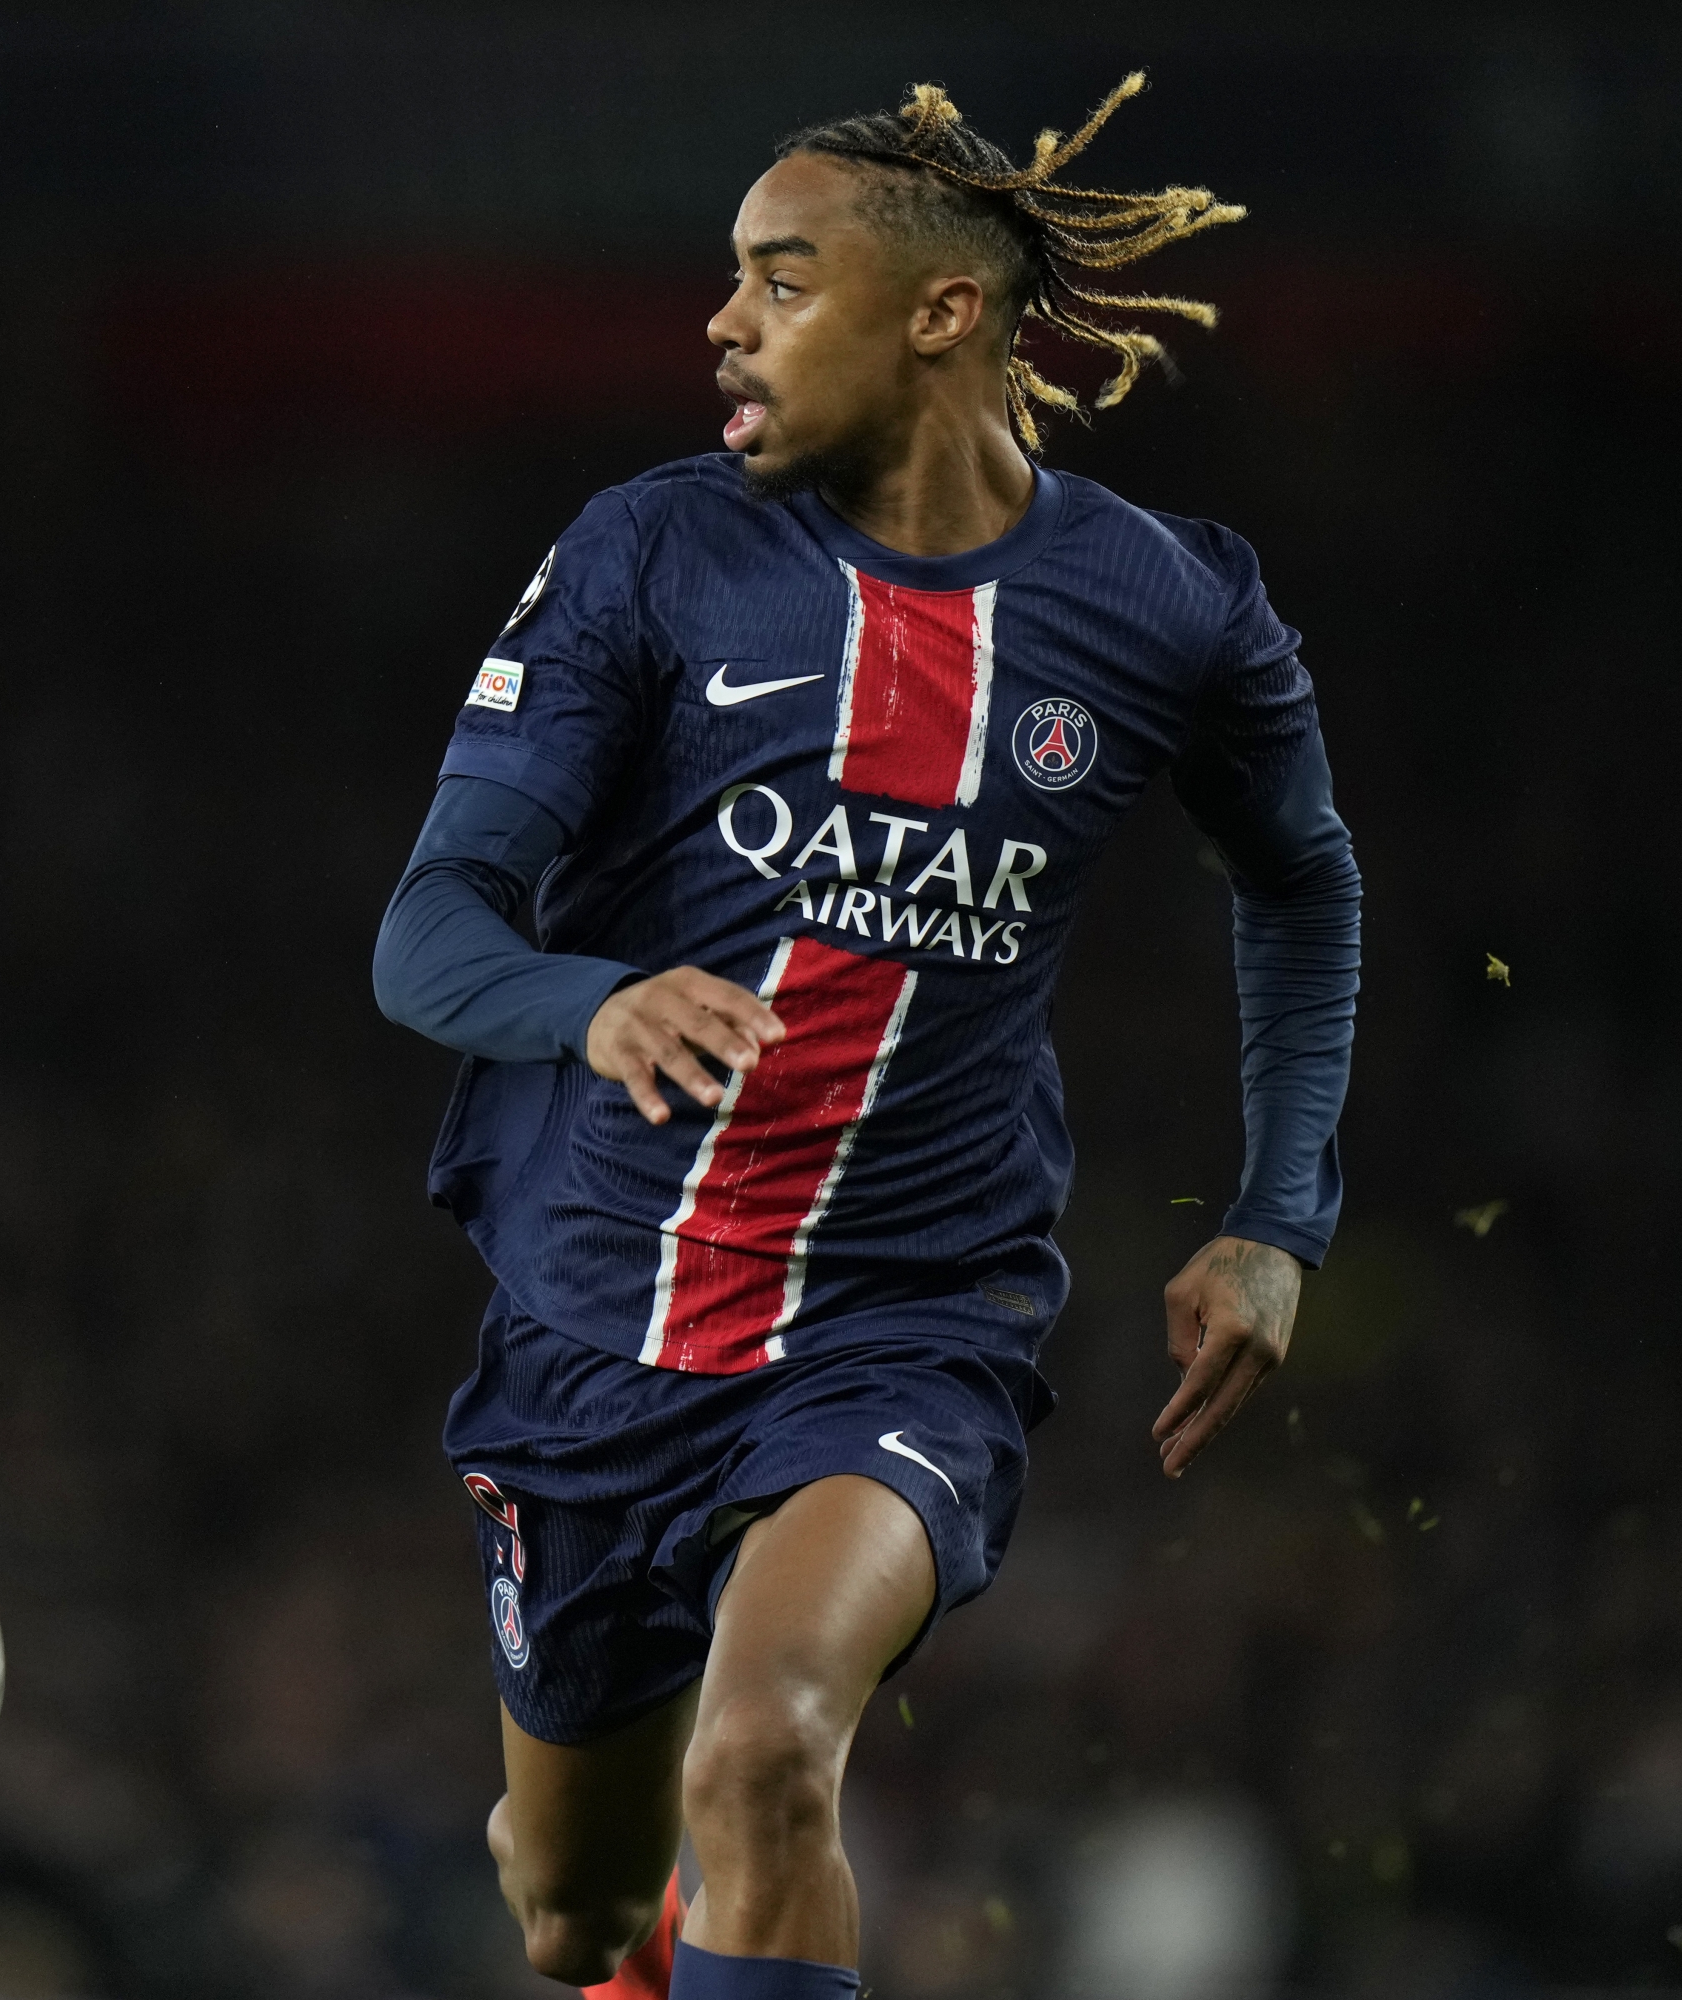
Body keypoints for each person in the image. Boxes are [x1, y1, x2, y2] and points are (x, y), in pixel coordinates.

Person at [373, 75, 1360, 2000]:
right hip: (603, 1323)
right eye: (727, 283)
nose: (723, 325)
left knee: (763, 1754)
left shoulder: (1166, 606)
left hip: (906, 1317)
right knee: (573, 1904)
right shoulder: (650, 558)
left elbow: (1302, 877)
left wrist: (1278, 1215)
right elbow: (428, 933)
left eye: (778, 279)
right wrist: (596, 1000)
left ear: (941, 315)